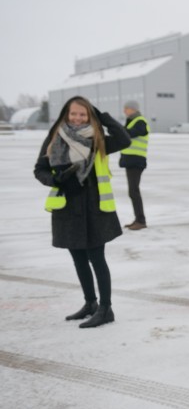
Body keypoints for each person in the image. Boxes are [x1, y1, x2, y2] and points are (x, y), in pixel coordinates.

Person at [33, 96, 131, 328]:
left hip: (95, 209)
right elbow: (40, 170)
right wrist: (57, 180)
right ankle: (90, 303)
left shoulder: (98, 140)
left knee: (97, 258)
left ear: (90, 116)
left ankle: (106, 308)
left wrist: (103, 116)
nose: (77, 118)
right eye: (73, 114)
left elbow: (124, 139)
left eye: (83, 114)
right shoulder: (55, 138)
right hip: (67, 209)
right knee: (78, 259)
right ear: (66, 115)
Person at [119, 100, 149, 230]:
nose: (124, 111)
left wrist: (119, 130)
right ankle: (138, 219)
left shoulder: (140, 121)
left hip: (136, 161)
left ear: (133, 109)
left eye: (126, 108)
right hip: (131, 161)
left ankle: (141, 221)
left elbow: (131, 133)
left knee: (133, 191)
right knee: (133, 191)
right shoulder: (131, 121)